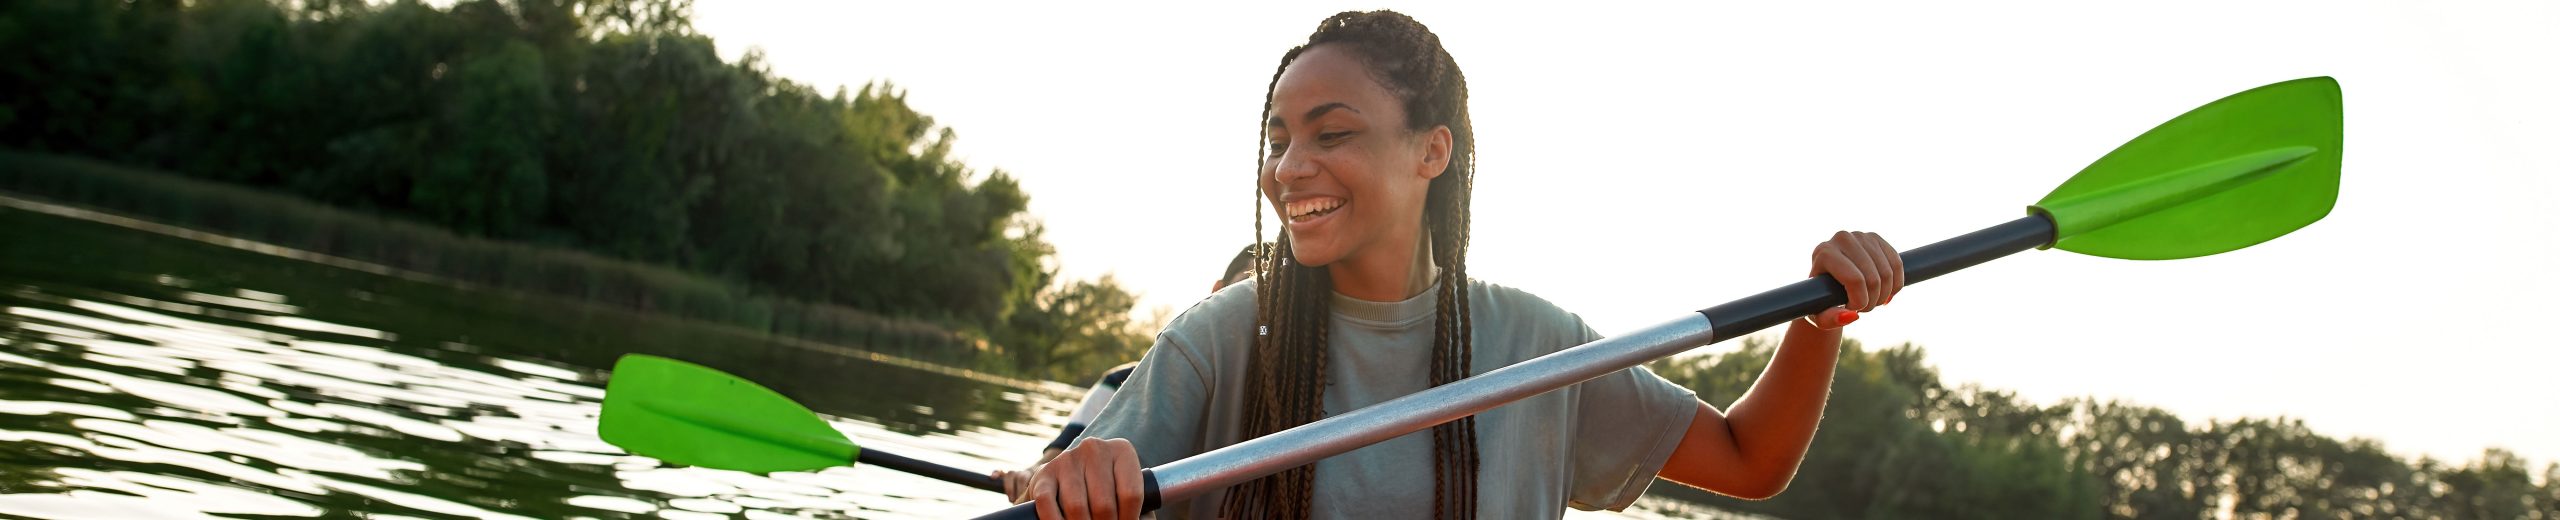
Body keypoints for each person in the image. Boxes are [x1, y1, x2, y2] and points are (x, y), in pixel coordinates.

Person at [1021, 10, 1905, 520]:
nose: (1291, 167)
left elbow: (1752, 461)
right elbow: (1077, 487)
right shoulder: (1219, 339)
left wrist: (1819, 316)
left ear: (1431, 150)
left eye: (1333, 134)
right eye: (1280, 138)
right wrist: (1070, 490)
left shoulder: (1539, 347)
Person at [997, 243, 1269, 498]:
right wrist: (1030, 475)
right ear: (1218, 292)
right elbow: (1057, 462)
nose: (1258, 316)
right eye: (1244, 291)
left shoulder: (1279, 409)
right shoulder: (1118, 383)